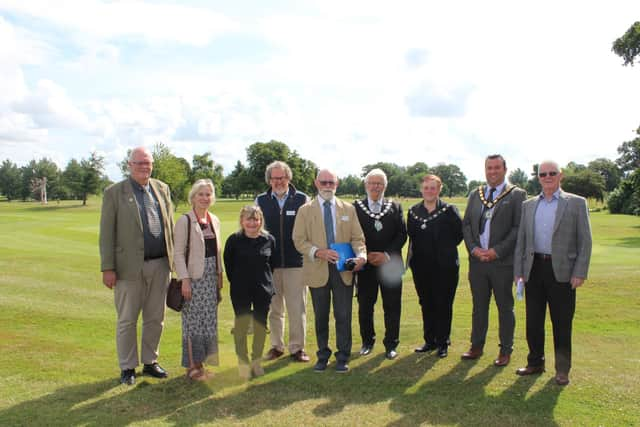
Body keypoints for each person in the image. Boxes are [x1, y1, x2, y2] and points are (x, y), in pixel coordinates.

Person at [99, 146, 174, 385]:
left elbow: (170, 227)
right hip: (128, 268)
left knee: (155, 317)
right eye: (139, 163)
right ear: (129, 165)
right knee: (127, 319)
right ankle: (128, 367)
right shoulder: (114, 192)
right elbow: (106, 234)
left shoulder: (162, 189)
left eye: (148, 163)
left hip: (161, 265)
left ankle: (150, 362)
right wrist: (108, 268)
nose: (144, 167)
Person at [514, 161, 592, 386]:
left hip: (563, 273)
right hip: (534, 269)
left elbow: (585, 241)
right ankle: (535, 362)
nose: (547, 177)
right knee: (533, 321)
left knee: (562, 323)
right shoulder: (528, 205)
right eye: (543, 174)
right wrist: (519, 272)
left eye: (552, 173)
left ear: (561, 176)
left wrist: (580, 272)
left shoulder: (576, 203)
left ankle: (562, 370)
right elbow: (521, 241)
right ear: (538, 177)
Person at [292, 168, 366, 373]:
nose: (327, 186)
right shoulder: (305, 210)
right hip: (317, 269)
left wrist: (361, 256)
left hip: (343, 270)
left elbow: (358, 239)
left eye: (331, 183)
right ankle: (322, 355)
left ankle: (343, 356)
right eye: (323, 182)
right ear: (316, 183)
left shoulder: (348, 209)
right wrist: (318, 252)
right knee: (321, 315)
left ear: (337, 184)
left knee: (343, 315)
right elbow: (298, 240)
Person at [462, 154, 526, 366]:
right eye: (489, 168)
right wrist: (474, 249)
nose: (492, 172)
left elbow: (518, 228)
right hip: (478, 262)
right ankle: (476, 346)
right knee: (479, 307)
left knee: (504, 307)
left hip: (502, 263)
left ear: (505, 169)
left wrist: (496, 251)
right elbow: (468, 226)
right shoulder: (475, 194)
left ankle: (505, 350)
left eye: (497, 168)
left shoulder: (517, 195)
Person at [256, 161, 310, 363]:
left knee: (297, 308)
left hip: (296, 263)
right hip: (270, 265)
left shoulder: (302, 199)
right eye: (274, 178)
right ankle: (276, 346)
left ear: (289, 178)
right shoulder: (260, 200)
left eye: (282, 177)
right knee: (274, 308)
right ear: (269, 180)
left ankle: (297, 348)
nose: (278, 181)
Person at [353, 168, 407, 360]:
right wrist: (365, 255)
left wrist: (386, 254)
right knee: (365, 305)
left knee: (392, 306)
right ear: (366, 185)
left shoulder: (395, 206)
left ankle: (391, 344)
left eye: (379, 183)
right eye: (372, 183)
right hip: (366, 266)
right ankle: (367, 342)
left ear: (385, 186)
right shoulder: (355, 207)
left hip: (390, 264)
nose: (375, 187)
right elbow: (351, 235)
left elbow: (402, 234)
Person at [407, 175, 463, 358]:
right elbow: (412, 238)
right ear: (421, 189)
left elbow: (458, 236)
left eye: (433, 188)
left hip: (445, 268)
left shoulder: (449, 210)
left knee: (443, 304)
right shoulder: (413, 212)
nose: (429, 191)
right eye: (426, 187)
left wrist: (443, 250)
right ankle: (429, 341)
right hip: (421, 267)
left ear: (439, 190)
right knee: (426, 303)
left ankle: (443, 342)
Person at [173, 179, 223, 381]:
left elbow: (217, 251)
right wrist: (184, 279)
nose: (204, 198)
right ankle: (192, 366)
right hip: (193, 279)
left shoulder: (214, 220)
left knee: (208, 322)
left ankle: (202, 364)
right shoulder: (185, 220)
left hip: (211, 279)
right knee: (193, 322)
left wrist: (219, 276)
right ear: (193, 197)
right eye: (201, 194)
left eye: (208, 194)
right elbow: (177, 254)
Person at [224, 205, 275, 380]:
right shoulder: (233, 240)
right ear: (242, 221)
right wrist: (239, 281)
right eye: (249, 219)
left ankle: (256, 361)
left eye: (256, 219)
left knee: (260, 327)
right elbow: (228, 266)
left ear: (261, 221)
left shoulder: (269, 240)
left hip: (263, 290)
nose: (252, 223)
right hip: (240, 289)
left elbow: (272, 264)